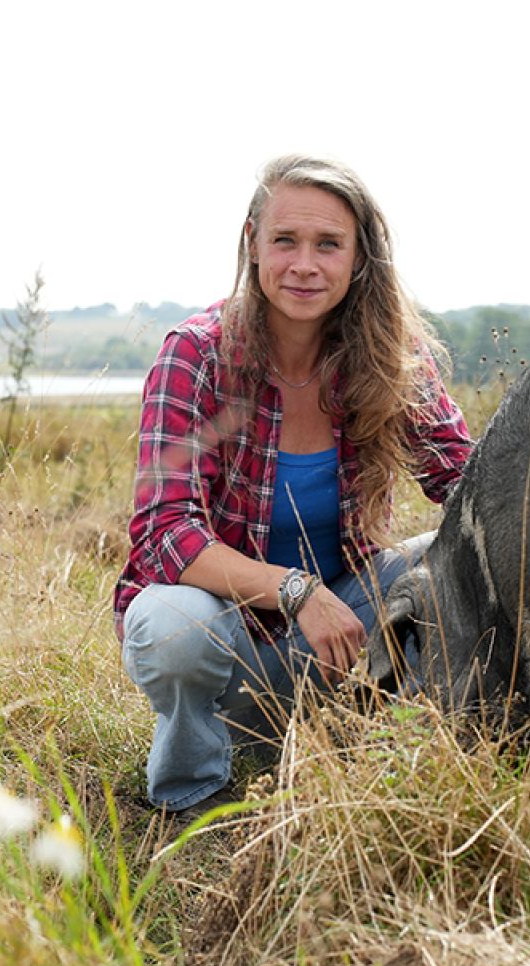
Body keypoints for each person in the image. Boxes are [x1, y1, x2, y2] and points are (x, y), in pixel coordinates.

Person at [114, 154, 474, 817]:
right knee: (172, 625)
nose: (304, 264)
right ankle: (194, 793)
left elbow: (469, 484)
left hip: (342, 630)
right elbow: (164, 534)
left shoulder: (391, 358)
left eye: (328, 244)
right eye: (285, 240)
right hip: (227, 636)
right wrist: (296, 589)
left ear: (359, 256)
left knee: (453, 557)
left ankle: (373, 759)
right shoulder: (195, 354)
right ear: (252, 243)